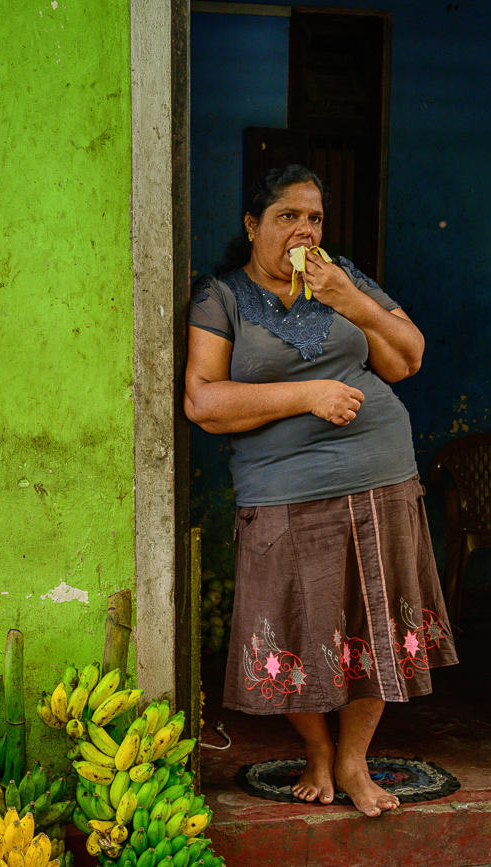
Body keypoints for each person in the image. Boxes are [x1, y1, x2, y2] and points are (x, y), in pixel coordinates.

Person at [184, 164, 457, 818]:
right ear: (253, 225)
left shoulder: (344, 279)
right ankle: (315, 751)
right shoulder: (218, 298)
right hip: (282, 488)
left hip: (382, 474)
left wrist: (348, 300)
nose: (303, 230)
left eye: (314, 219)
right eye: (287, 217)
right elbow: (204, 401)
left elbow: (407, 357)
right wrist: (308, 394)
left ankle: (353, 759)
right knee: (295, 628)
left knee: (376, 625)